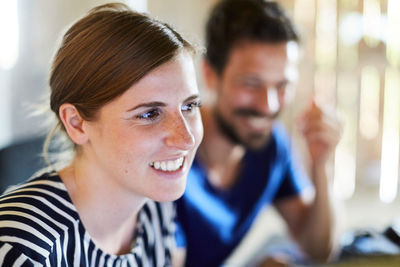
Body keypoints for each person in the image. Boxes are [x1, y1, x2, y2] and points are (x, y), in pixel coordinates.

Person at [0, 3, 203, 266]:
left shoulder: (155, 210)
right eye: (150, 114)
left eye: (189, 106)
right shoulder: (21, 246)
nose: (186, 139)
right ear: (77, 124)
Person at [174, 0, 342, 266]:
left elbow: (318, 248)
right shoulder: (169, 150)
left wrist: (321, 164)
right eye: (251, 84)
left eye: (282, 85)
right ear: (209, 74)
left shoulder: (272, 145)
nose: (269, 105)